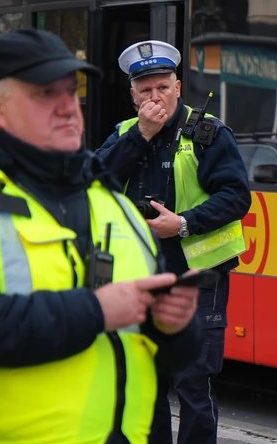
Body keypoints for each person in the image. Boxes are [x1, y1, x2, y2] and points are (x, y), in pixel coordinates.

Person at [0, 29, 201, 444]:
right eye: (45, 94)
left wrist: (172, 327)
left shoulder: (114, 204)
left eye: (72, 91)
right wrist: (96, 311)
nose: (69, 107)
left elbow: (171, 359)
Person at [96, 40, 251, 444]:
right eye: (145, 90)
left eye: (163, 88)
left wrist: (182, 223)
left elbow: (236, 196)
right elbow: (93, 187)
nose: (155, 98)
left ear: (178, 88)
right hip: (139, 277)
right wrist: (141, 136)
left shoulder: (208, 133)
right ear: (133, 96)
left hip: (197, 277)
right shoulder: (125, 134)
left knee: (193, 382)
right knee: (147, 382)